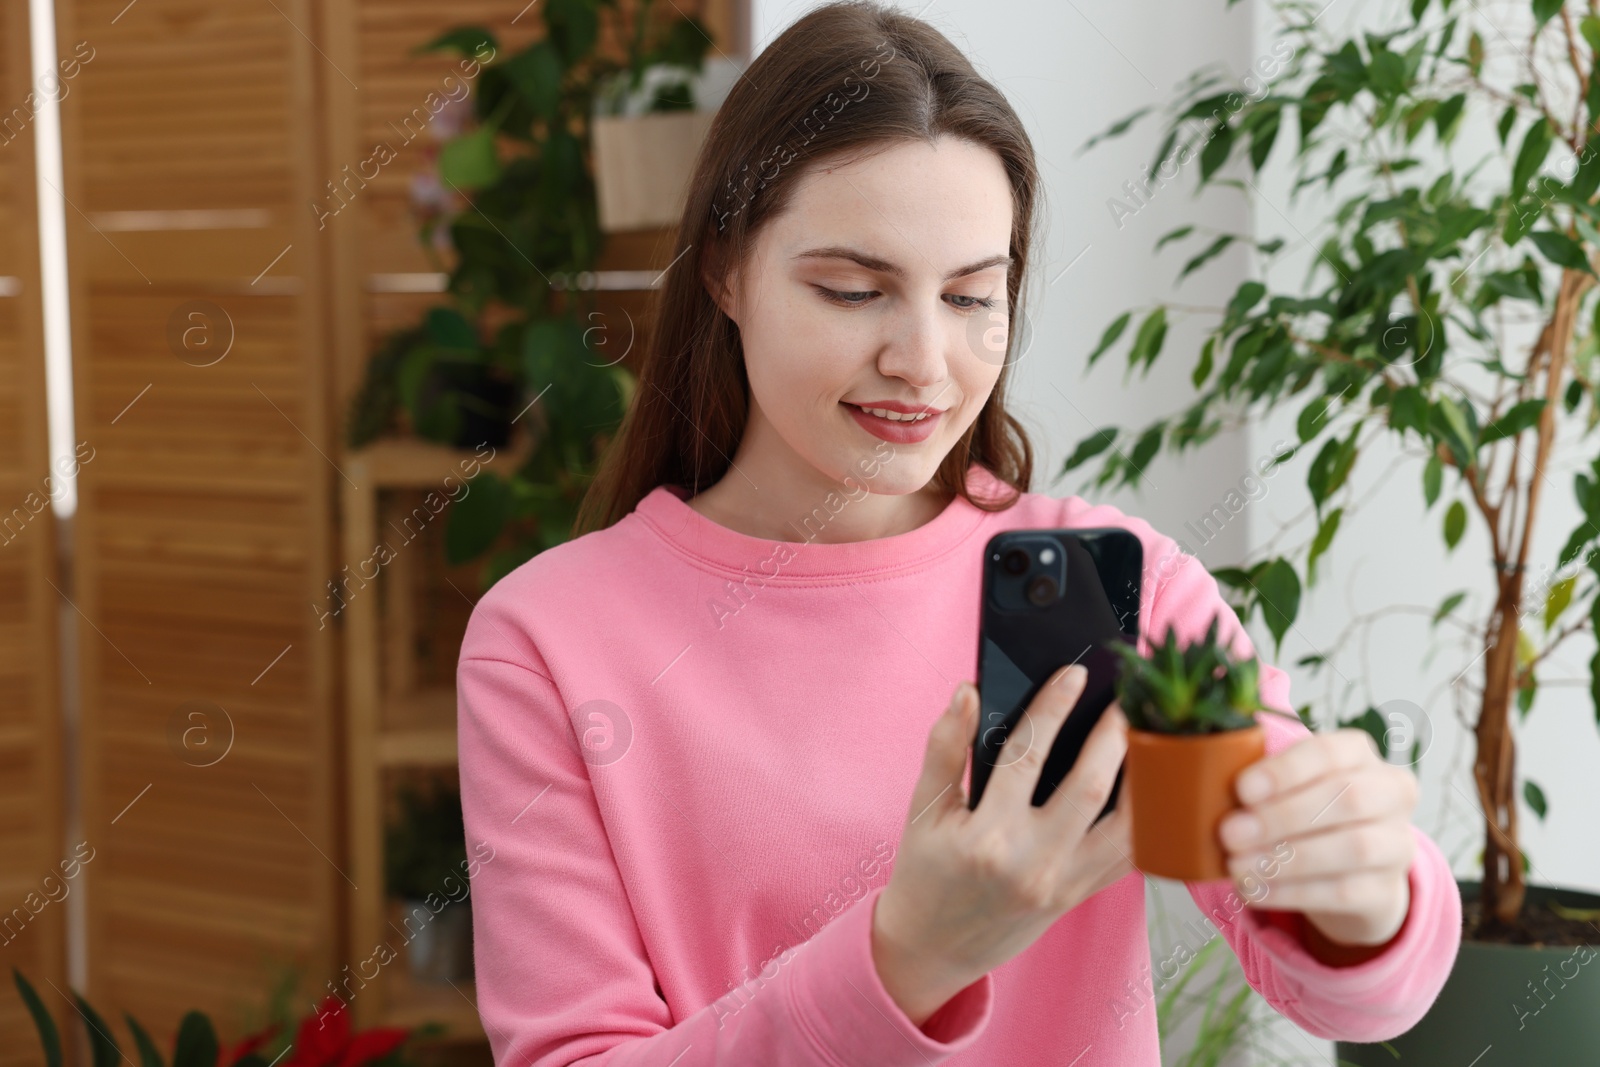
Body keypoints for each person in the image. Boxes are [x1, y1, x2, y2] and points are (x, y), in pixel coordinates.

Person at [454, 3, 1462, 1063]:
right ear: (723, 269)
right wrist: (908, 957)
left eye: (974, 294)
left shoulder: (1127, 590)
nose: (924, 361)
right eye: (853, 289)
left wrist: (1359, 893)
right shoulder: (548, 639)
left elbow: (1351, 994)